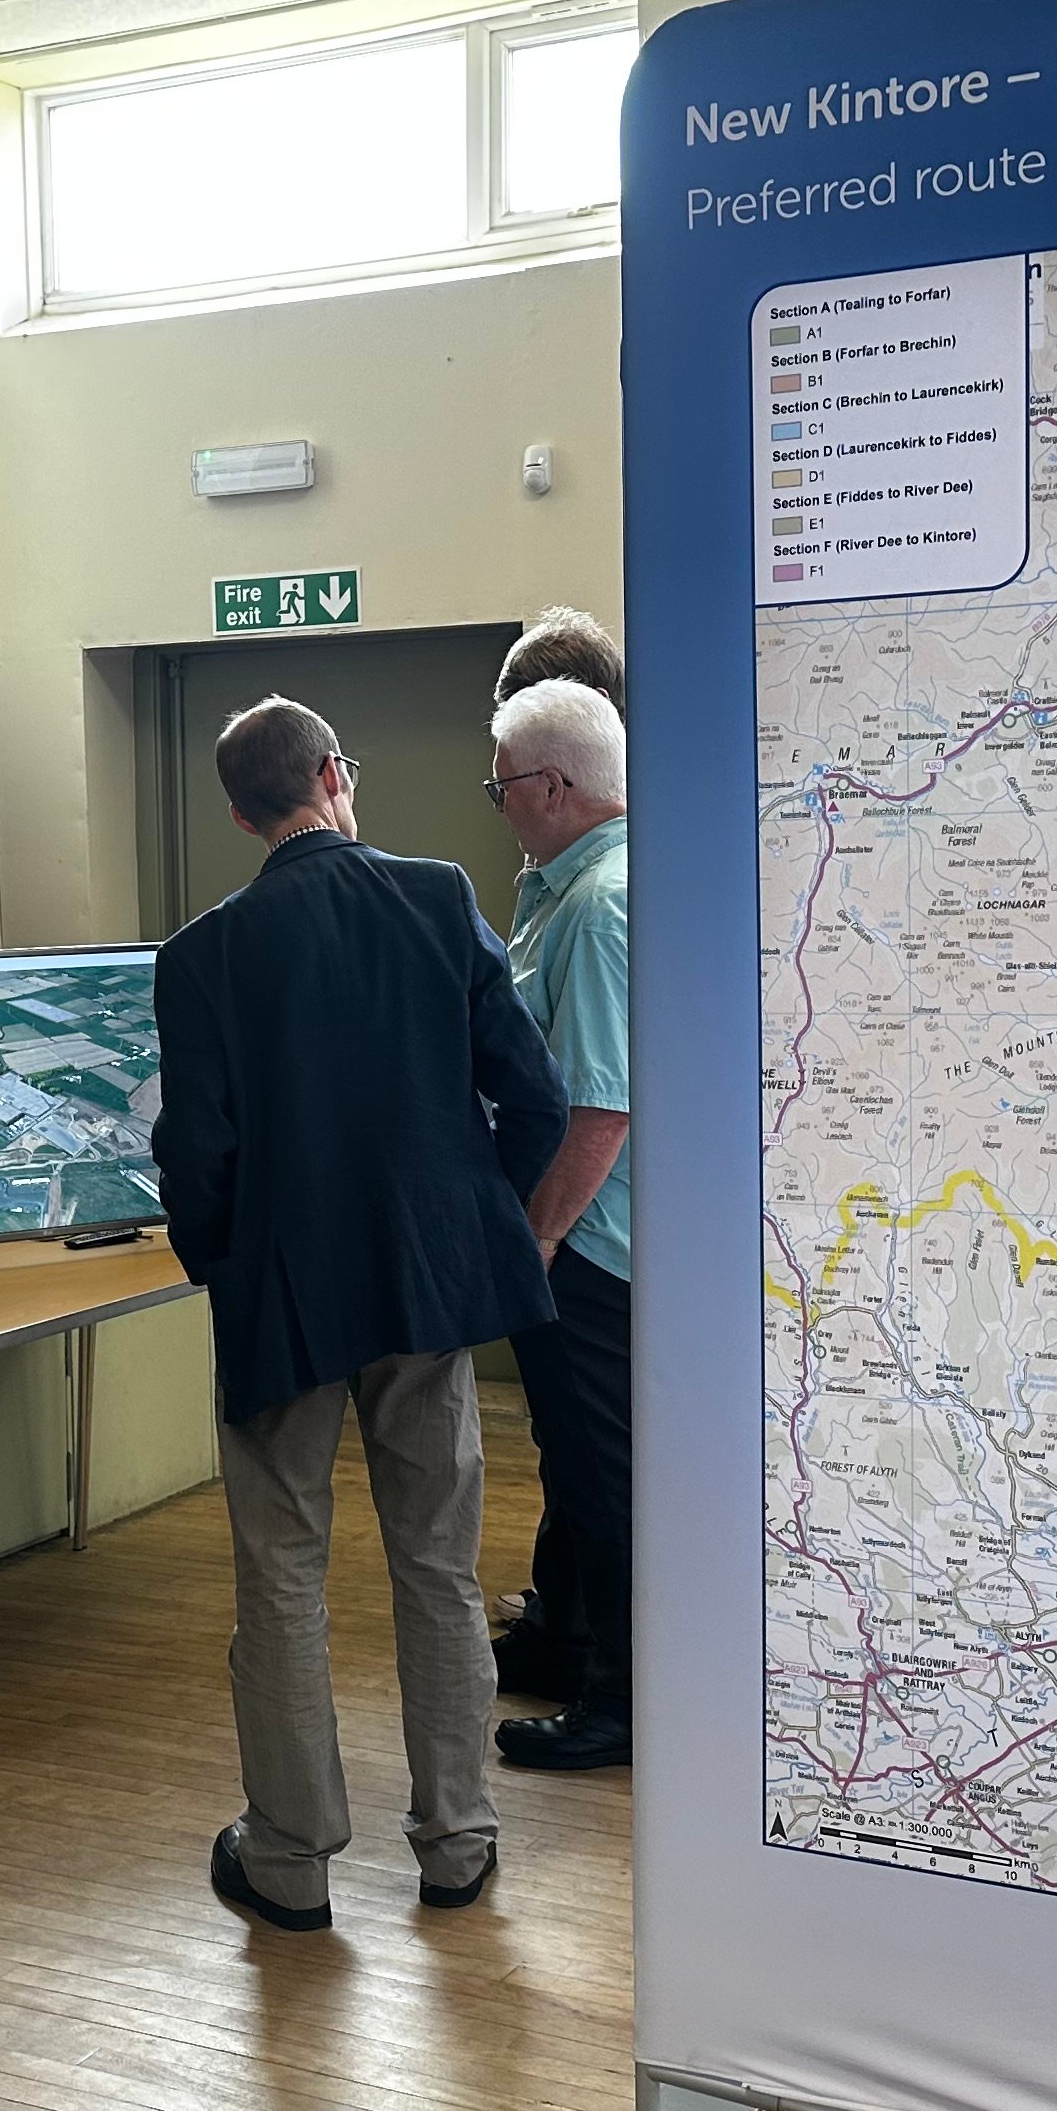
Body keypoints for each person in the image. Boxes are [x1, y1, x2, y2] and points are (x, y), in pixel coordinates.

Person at [153, 697, 567, 1928]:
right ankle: (456, 1842)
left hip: (282, 1300)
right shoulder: (440, 898)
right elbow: (534, 1099)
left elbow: (199, 1154)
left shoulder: (202, 955)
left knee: (279, 1574)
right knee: (438, 1567)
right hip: (426, 1294)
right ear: (336, 775)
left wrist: (221, 1262)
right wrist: (472, 1219)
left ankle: (290, 1859)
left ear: (239, 812)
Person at [488, 675, 635, 1772]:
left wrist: (539, 1236)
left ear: (550, 786)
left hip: (588, 1247)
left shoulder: (597, 907)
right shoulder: (563, 888)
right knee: (575, 1462)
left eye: (499, 789)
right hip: (581, 1241)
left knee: (601, 1473)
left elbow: (601, 1107)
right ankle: (572, 1647)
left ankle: (621, 1705)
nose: (498, 807)